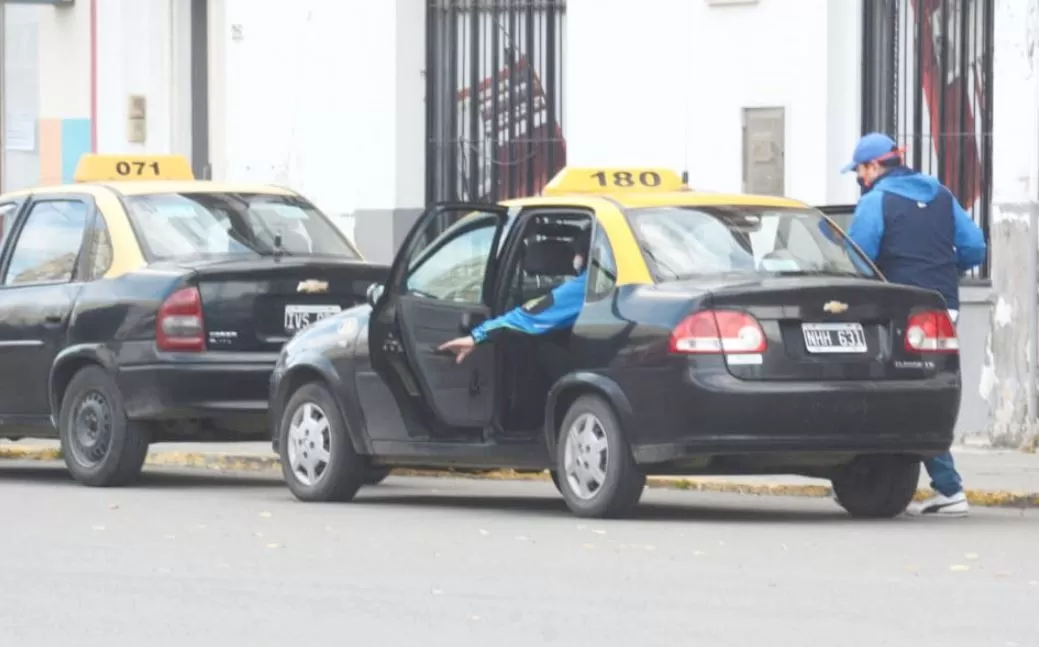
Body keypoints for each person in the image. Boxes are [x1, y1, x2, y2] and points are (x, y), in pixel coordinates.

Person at [841, 132, 987, 518]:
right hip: (942, 307)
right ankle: (869, 480)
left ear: (874, 167)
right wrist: (938, 266)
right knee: (919, 390)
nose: (859, 178)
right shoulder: (941, 194)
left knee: (906, 396)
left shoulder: (876, 202)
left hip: (898, 309)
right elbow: (974, 247)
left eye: (859, 170)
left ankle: (950, 488)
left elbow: (859, 257)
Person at [438, 230, 590, 364]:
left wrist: (476, 336)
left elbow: (527, 317)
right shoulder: (601, 280)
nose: (572, 258)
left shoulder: (586, 285)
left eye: (575, 252)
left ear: (584, 255)